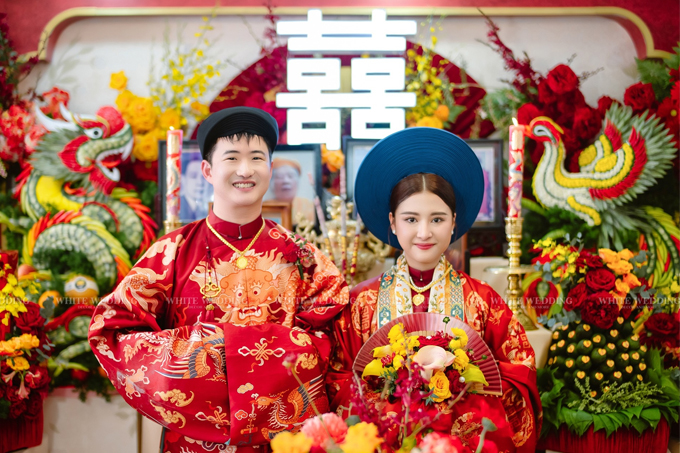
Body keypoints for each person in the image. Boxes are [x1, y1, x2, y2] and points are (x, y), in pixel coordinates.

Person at [88, 107, 349, 453]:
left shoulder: (302, 256)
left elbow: (336, 340)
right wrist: (208, 353)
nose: (245, 169)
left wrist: (236, 352)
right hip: (195, 442)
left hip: (287, 441)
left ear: (270, 169)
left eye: (257, 158)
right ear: (208, 170)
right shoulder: (172, 252)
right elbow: (113, 330)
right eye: (232, 157)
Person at [327, 127, 540, 452]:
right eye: (411, 219)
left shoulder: (484, 301)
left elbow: (520, 370)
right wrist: (391, 401)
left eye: (437, 219)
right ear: (392, 222)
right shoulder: (360, 303)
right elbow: (337, 378)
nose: (424, 233)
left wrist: (462, 387)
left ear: (454, 222)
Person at [270, 158, 315, 224]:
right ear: (272, 182)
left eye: (290, 176)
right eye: (279, 177)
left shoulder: (309, 206)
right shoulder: (265, 207)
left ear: (298, 181)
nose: (286, 181)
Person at [180, 154, 210, 221]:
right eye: (193, 176)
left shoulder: (208, 208)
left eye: (203, 177)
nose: (200, 182)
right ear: (183, 180)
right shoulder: (177, 207)